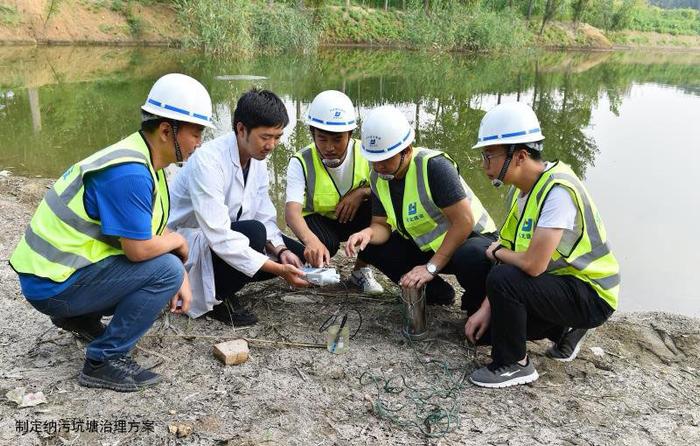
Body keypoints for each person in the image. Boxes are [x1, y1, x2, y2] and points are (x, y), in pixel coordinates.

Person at [9, 73, 213, 391]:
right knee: (166, 271)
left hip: (52, 276)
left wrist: (179, 262)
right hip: (52, 286)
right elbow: (138, 250)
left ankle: (78, 318)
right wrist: (179, 244)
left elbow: (149, 232)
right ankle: (103, 360)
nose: (199, 143)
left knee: (170, 269)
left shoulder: (144, 160)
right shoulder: (130, 173)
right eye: (196, 133)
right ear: (165, 130)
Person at [466, 102, 620, 388]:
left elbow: (532, 265)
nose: (483, 164)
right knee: (485, 330)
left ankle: (515, 364)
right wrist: (486, 309)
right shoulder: (523, 192)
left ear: (520, 155)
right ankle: (565, 330)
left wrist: (497, 251)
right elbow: (508, 254)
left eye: (489, 156)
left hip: (591, 293)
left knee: (500, 275)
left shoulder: (557, 192)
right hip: (560, 284)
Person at [168, 88, 308, 326]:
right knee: (254, 234)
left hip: (221, 238)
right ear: (241, 129)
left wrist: (282, 252)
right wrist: (277, 270)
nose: (272, 145)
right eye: (266, 137)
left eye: (277, 137)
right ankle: (220, 299)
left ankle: (234, 278)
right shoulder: (208, 161)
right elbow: (219, 235)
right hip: (185, 246)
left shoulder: (256, 159)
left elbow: (264, 214)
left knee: (299, 255)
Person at [345, 105, 498, 310]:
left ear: (406, 150)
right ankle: (435, 293)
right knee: (371, 245)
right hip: (428, 247)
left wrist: (431, 267)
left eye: (385, 159)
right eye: (373, 160)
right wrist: (367, 233)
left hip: (472, 242)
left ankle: (479, 304)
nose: (378, 166)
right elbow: (381, 225)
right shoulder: (378, 177)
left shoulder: (434, 167)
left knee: (469, 256)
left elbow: (464, 222)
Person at [285, 90, 383, 294]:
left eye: (337, 139)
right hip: (320, 220)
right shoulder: (301, 161)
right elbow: (292, 212)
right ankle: (314, 267)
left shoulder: (367, 153)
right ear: (312, 133)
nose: (329, 147)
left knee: (380, 209)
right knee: (324, 245)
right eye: (322, 139)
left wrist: (362, 192)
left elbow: (388, 189)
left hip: (357, 218)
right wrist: (311, 241)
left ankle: (360, 271)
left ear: (350, 134)